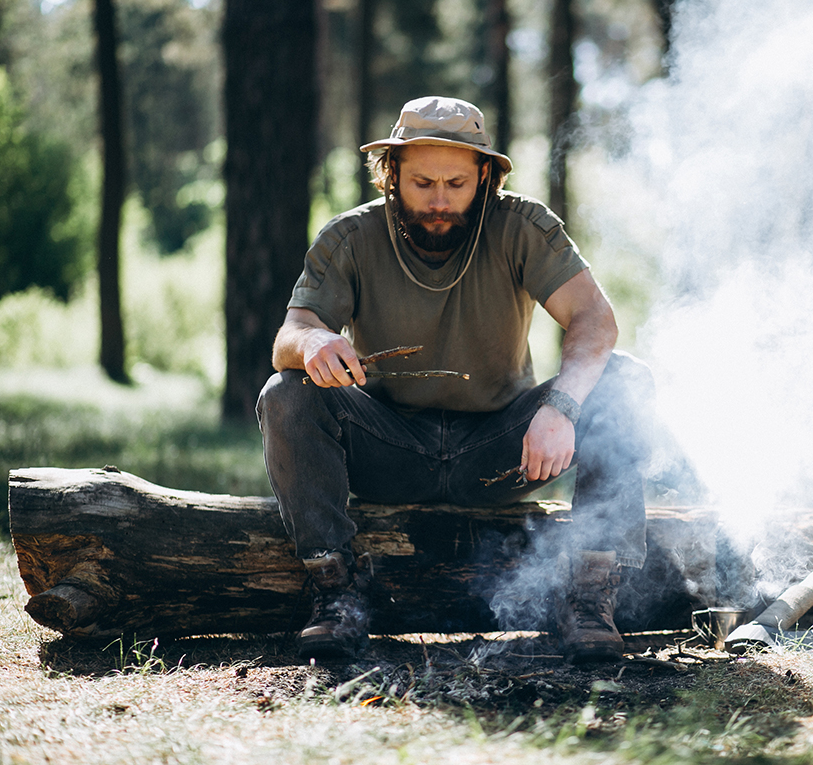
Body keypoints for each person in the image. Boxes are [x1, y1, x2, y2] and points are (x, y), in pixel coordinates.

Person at [257, 96, 654, 664]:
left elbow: (596, 319)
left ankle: (590, 598)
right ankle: (336, 593)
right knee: (286, 393)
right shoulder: (350, 236)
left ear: (485, 177)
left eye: (457, 184)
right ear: (391, 174)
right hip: (390, 450)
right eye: (421, 183)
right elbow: (290, 334)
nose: (439, 201)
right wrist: (314, 341)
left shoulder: (524, 227)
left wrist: (561, 406)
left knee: (625, 382)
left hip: (503, 452)